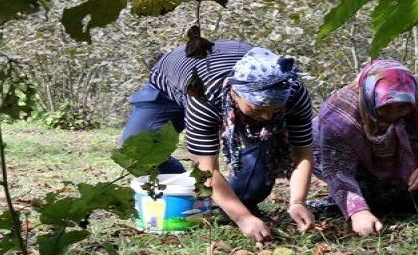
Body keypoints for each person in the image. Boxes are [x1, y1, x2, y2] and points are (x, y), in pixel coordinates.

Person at [119, 41, 316, 243]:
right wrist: (243, 218)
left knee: (253, 182)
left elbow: (302, 153)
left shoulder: (293, 92)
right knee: (134, 153)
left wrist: (297, 201)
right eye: (257, 108)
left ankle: (231, 202)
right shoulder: (205, 95)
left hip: (227, 79)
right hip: (169, 89)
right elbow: (205, 170)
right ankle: (190, 191)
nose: (266, 117)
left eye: (274, 110)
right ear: (235, 93)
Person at [315, 60, 418, 236]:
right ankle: (371, 205)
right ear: (369, 97)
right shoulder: (339, 116)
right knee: (374, 198)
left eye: (403, 106)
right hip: (363, 167)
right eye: (386, 107)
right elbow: (338, 169)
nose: (395, 113)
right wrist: (358, 211)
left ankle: (410, 203)